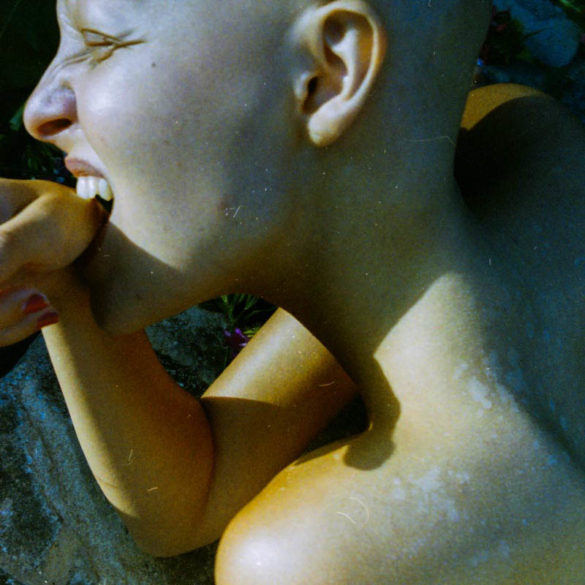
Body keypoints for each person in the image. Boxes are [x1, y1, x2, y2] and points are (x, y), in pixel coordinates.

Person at [1, 0, 584, 582]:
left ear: (327, 74)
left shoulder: (316, 561)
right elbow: (193, 497)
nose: (38, 111)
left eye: (100, 44)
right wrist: (59, 279)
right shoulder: (531, 153)